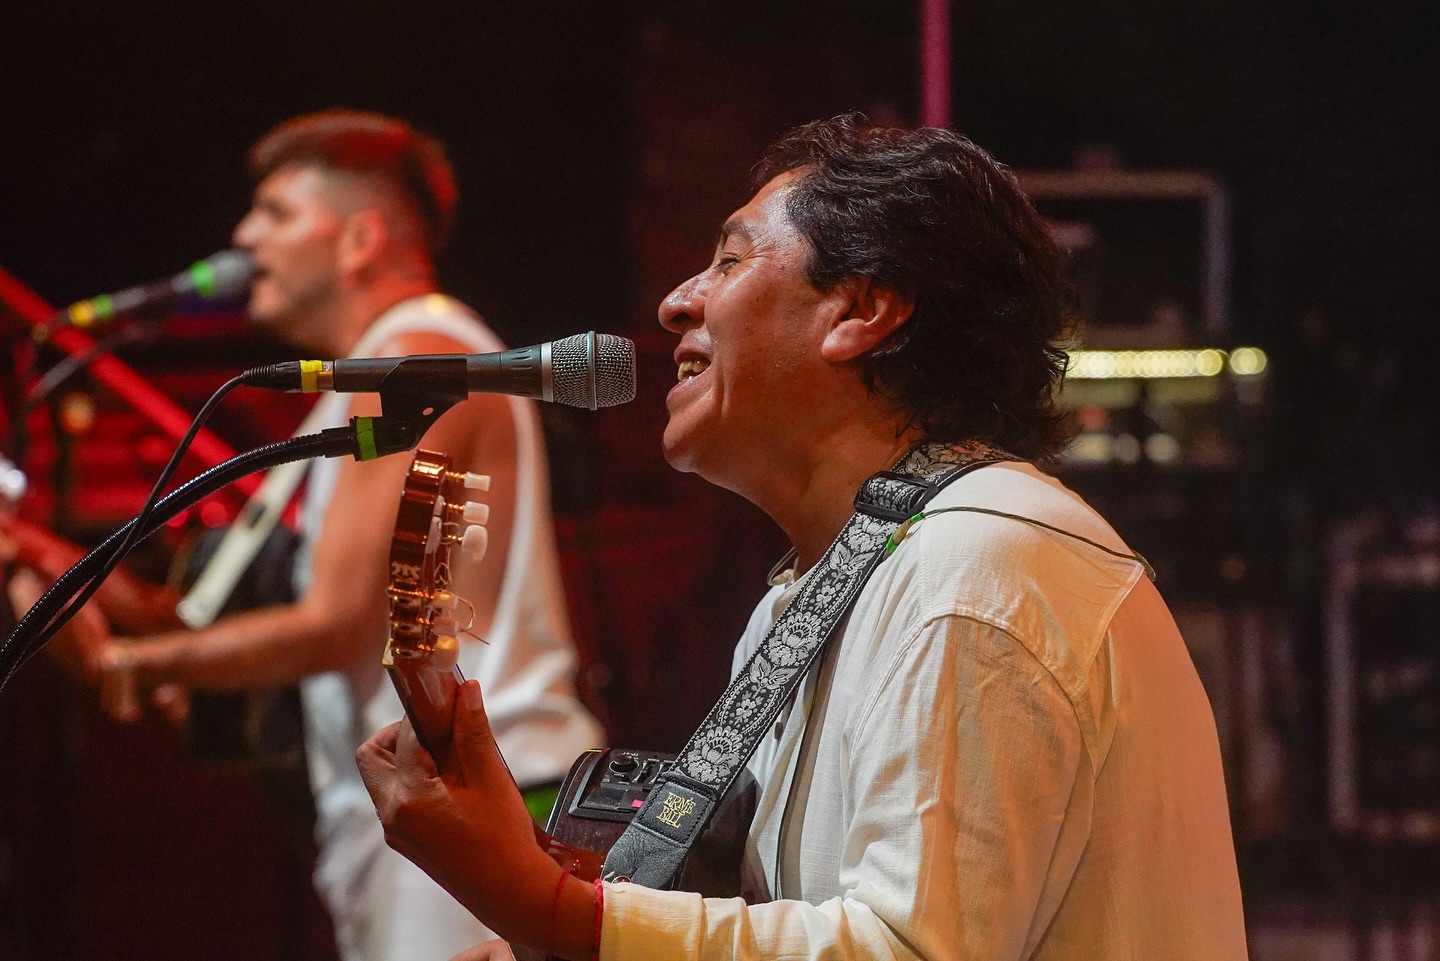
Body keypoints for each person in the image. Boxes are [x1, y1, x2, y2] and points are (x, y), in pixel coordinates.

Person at [356, 115, 1249, 960]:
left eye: (729, 260)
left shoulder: (978, 571)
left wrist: (548, 905)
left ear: (860, 308)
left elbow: (905, 948)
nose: (675, 302)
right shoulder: (828, 589)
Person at [47, 110, 604, 961]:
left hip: (479, 800)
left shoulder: (417, 361)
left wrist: (131, 664)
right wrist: (44, 560)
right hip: (434, 805)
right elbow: (201, 617)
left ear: (360, 240)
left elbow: (336, 622)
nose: (244, 236)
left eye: (275, 211)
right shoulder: (364, 378)